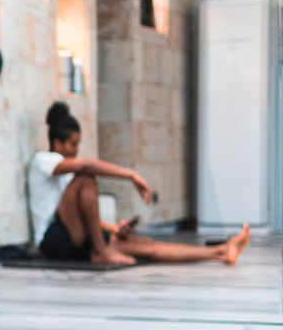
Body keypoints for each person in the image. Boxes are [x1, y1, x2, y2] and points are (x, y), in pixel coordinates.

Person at [28, 102, 250, 266]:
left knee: (144, 245)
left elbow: (85, 216)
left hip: (78, 236)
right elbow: (87, 167)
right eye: (72, 144)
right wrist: (130, 175)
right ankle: (100, 250)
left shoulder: (68, 173)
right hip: (53, 240)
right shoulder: (43, 161)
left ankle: (221, 251)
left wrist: (114, 228)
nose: (76, 150)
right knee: (87, 177)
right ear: (57, 143)